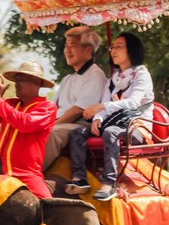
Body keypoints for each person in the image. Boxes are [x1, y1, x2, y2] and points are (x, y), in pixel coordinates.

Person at [65, 32, 155, 201]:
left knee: (110, 132)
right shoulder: (113, 79)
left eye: (118, 46)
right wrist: (98, 118)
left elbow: (134, 103)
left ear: (132, 50)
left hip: (136, 127)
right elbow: (104, 104)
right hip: (113, 123)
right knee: (78, 133)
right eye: (112, 47)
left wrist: (102, 107)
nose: (113, 50)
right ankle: (79, 178)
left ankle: (109, 183)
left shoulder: (142, 75)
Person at [0, 59, 58, 198]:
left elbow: (25, 123)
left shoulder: (47, 107)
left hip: (26, 174)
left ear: (36, 82)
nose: (17, 84)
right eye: (16, 80)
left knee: (47, 207)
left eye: (22, 79)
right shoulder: (10, 104)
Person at [42, 26, 108, 169]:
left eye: (73, 46)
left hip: (80, 125)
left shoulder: (96, 75)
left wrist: (53, 125)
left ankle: (33, 172)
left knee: (52, 133)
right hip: (61, 122)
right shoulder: (67, 79)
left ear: (88, 50)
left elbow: (78, 110)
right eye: (66, 45)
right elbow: (51, 107)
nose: (67, 50)